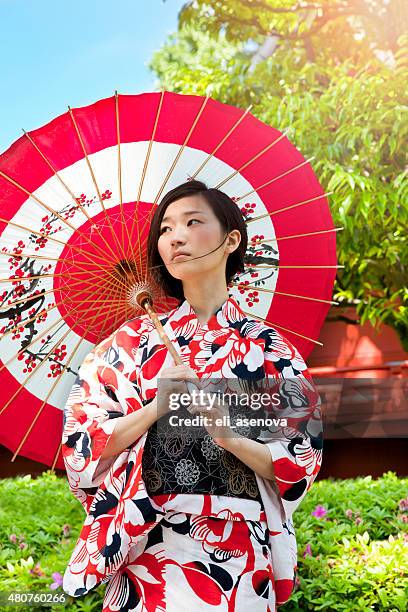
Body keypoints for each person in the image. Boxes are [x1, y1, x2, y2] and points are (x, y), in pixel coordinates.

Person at [61, 180, 322, 611]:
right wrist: (155, 409)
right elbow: (81, 445)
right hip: (149, 544)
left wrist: (230, 438)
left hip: (236, 548)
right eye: (165, 229)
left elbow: (301, 458)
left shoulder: (271, 348)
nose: (175, 237)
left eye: (192, 222)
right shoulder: (126, 346)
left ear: (231, 240)